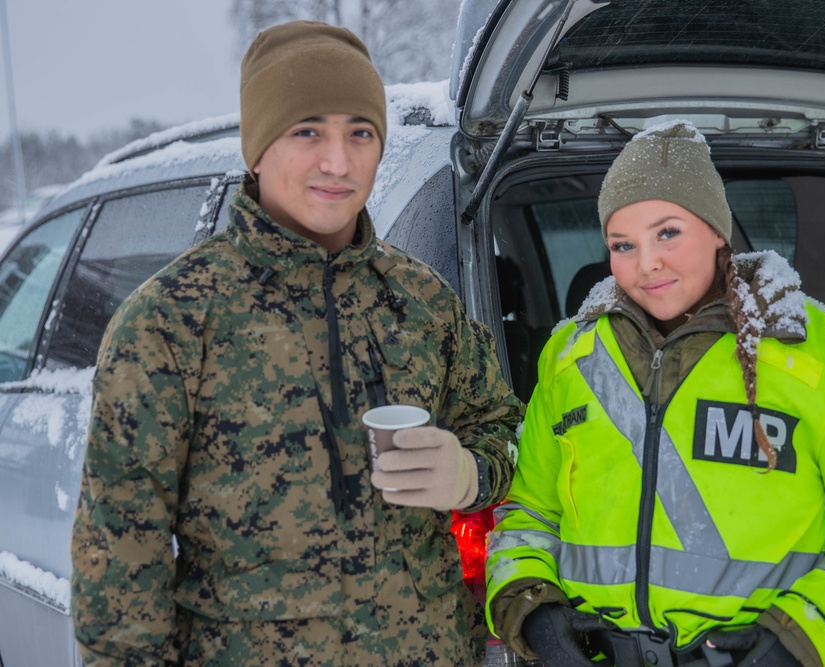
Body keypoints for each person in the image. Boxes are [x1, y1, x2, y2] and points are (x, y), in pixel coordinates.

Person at [71, 20, 523, 666]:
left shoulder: (421, 305)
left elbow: (506, 429)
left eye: (360, 133)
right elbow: (120, 578)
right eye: (308, 130)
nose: (338, 162)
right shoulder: (169, 324)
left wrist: (471, 470)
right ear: (257, 147)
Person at [485, 121, 825, 667]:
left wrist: (801, 641)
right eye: (622, 244)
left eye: (668, 233)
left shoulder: (822, 354)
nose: (647, 263)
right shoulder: (570, 357)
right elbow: (529, 512)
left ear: (717, 231)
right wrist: (534, 612)